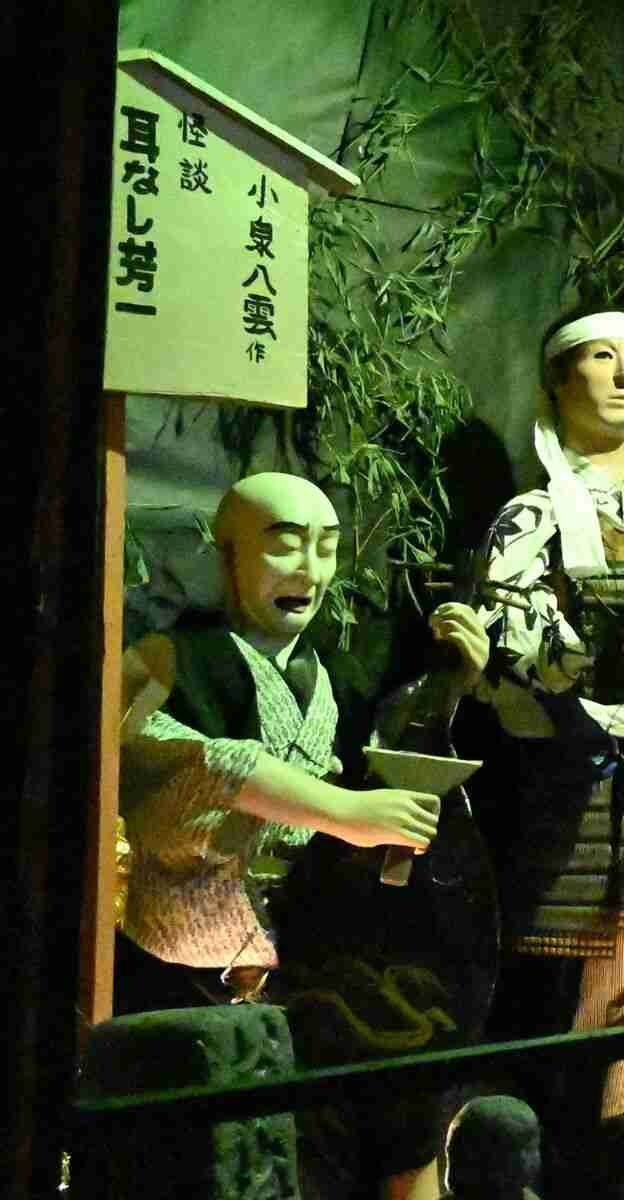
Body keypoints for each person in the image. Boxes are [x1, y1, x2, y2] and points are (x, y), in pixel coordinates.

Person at [117, 471, 488, 1200]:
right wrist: (342, 812)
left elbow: (380, 761)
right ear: (226, 552)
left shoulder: (335, 674)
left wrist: (450, 684)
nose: (311, 570)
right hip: (192, 980)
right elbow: (177, 762)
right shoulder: (171, 658)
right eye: (285, 544)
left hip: (318, 982)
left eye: (326, 546)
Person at [474, 310, 624, 1191]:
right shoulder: (533, 517)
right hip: (567, 776)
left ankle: (620, 1166)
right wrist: (579, 659)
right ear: (557, 380)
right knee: (553, 992)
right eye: (602, 358)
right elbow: (505, 638)